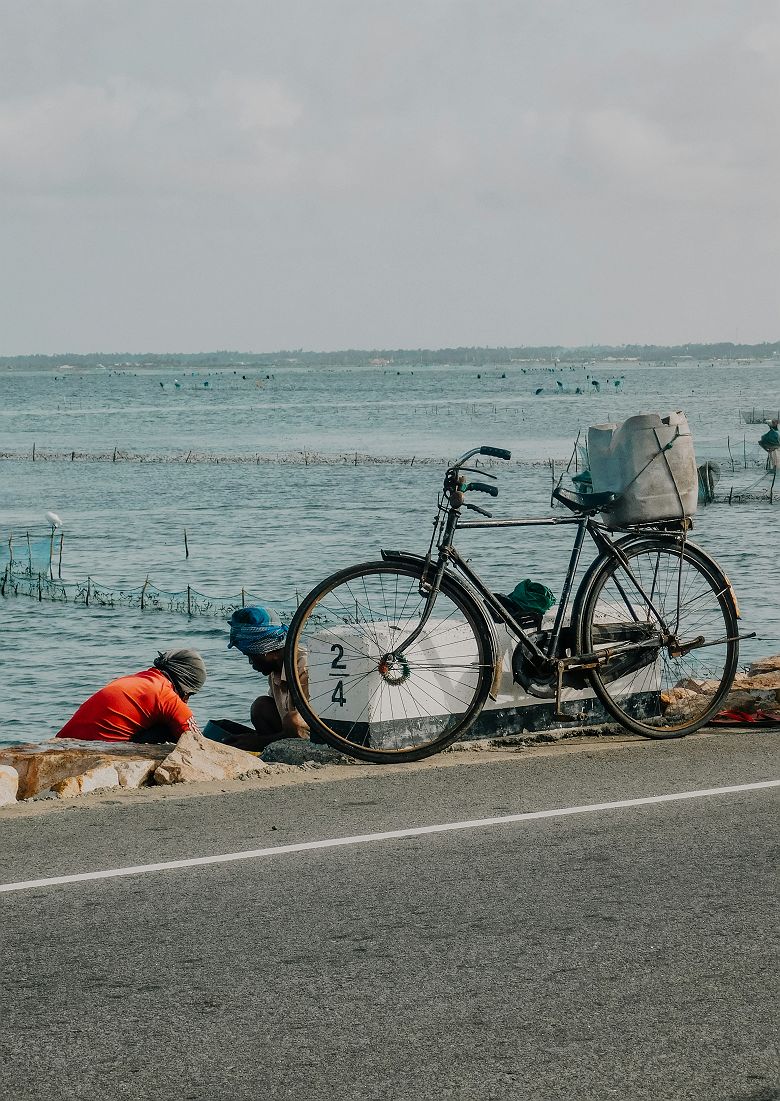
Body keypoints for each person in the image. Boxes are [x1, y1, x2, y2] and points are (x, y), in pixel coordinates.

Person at [56, 649, 207, 743]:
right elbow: (197, 742)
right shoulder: (165, 695)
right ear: (184, 684)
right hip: (95, 749)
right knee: (168, 731)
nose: (186, 701)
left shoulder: (137, 680)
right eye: (189, 694)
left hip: (64, 741)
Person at [222, 606, 309, 751]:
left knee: (293, 721)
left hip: (318, 734)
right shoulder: (275, 671)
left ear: (270, 651)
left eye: (252, 656)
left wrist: (259, 741)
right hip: (290, 733)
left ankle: (270, 747)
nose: (251, 663)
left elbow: (305, 724)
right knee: (261, 706)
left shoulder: (304, 668)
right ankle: (274, 750)